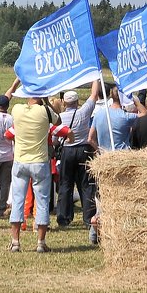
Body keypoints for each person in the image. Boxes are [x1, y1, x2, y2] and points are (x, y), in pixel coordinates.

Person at [6, 79, 67, 253]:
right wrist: (47, 101)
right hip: (40, 161)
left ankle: (15, 241)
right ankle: (40, 242)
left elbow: (6, 97)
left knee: (18, 200)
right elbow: (58, 121)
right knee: (42, 201)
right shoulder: (46, 111)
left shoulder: (17, 110)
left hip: (20, 161)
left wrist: (15, 83)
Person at [55, 78, 101, 230]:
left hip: (67, 151)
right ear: (77, 101)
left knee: (65, 184)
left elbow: (56, 138)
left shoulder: (60, 118)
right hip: (84, 149)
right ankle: (89, 218)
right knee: (86, 185)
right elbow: (94, 95)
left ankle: (63, 217)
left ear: (64, 102)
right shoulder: (83, 112)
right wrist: (96, 78)